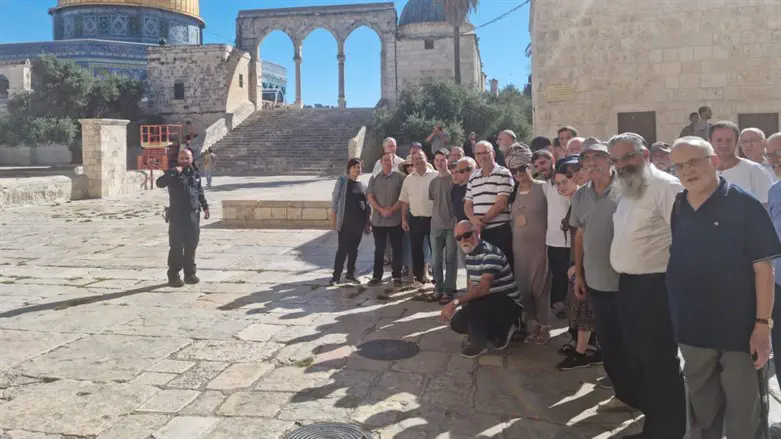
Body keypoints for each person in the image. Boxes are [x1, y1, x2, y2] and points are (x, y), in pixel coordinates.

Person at [668, 136, 781, 439]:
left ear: (714, 162)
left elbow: (764, 270)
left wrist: (762, 325)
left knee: (745, 417)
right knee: (702, 417)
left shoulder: (745, 204)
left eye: (695, 162)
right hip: (694, 332)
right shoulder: (678, 206)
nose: (688, 171)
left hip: (740, 333)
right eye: (680, 166)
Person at [608, 132, 686, 438]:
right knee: (638, 359)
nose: (622, 165)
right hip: (629, 287)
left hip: (656, 288)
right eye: (616, 160)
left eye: (628, 157)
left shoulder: (667, 187)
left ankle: (668, 431)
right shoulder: (627, 190)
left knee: (660, 363)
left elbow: (682, 240)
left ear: (645, 154)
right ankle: (655, 424)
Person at [571, 141, 638, 408]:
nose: (591, 162)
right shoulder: (580, 196)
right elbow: (579, 235)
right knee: (609, 343)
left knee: (633, 340)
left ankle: (639, 392)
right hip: (597, 282)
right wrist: (579, 273)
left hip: (629, 281)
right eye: (586, 158)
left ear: (610, 160)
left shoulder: (627, 190)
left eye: (598, 156)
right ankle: (623, 393)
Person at [441, 220, 522, 358]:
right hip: (490, 303)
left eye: (466, 235)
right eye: (459, 238)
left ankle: (481, 343)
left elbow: (483, 289)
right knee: (457, 322)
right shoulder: (469, 255)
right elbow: (472, 286)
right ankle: (495, 333)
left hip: (507, 303)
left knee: (477, 300)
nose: (463, 240)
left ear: (476, 233)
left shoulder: (490, 253)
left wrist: (455, 302)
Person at [554, 156, 597, 370]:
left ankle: (581, 354)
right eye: (558, 183)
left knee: (583, 307)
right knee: (578, 304)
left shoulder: (583, 198)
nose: (561, 186)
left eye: (565, 181)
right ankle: (586, 347)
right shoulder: (576, 199)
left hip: (587, 261)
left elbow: (588, 235)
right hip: (577, 259)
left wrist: (578, 265)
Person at [506, 144, 552, 344]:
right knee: (523, 288)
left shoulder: (544, 188)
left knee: (539, 288)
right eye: (514, 171)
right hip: (519, 249)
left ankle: (545, 327)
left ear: (530, 167)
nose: (518, 173)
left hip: (540, 248)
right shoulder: (513, 192)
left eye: (522, 168)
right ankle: (532, 325)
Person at [156, 149, 209, 287]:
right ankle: (173, 275)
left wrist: (205, 206)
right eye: (182, 158)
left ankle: (190, 274)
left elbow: (199, 191)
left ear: (191, 159)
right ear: (178, 158)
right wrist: (174, 171)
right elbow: (160, 183)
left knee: (192, 245)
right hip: (177, 216)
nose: (185, 161)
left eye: (187, 158)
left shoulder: (195, 173)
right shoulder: (173, 172)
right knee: (176, 246)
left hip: (193, 215)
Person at [465, 140, 516, 270]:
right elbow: (467, 204)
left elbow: (502, 203)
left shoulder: (504, 173)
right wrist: (474, 221)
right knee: (484, 268)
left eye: (485, 153)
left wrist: (482, 221)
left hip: (500, 231)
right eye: (478, 154)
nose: (482, 157)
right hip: (480, 232)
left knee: (503, 266)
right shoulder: (473, 177)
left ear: (493, 153)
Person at [711, 120, 775, 204]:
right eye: (719, 140)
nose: (724, 145)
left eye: (729, 140)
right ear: (710, 141)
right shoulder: (702, 171)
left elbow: (768, 207)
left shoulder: (754, 170)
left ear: (737, 142)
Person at [329, 158, 371, 286]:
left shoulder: (363, 185)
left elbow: (367, 204)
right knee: (342, 249)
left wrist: (367, 223)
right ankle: (336, 276)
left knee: (354, 249)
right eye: (354, 167)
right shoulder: (342, 181)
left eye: (359, 167)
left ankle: (350, 274)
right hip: (345, 222)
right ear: (349, 168)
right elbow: (335, 201)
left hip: (358, 223)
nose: (357, 169)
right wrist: (334, 220)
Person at [366, 152, 405, 288]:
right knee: (379, 249)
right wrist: (381, 210)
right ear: (381, 162)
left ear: (393, 162)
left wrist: (392, 210)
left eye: (390, 160)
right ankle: (377, 276)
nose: (388, 162)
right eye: (385, 160)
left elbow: (402, 197)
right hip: (378, 221)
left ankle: (397, 276)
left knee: (397, 249)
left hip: (395, 220)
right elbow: (370, 197)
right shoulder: (374, 178)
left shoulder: (400, 178)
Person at [400, 150, 438, 287]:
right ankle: (419, 278)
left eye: (420, 158)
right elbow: (404, 201)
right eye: (415, 159)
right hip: (415, 220)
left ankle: (438, 279)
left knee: (436, 250)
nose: (418, 161)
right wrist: (404, 219)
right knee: (416, 250)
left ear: (425, 158)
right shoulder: (408, 179)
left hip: (433, 220)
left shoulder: (435, 176)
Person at [429, 149, 458, 302]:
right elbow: (434, 200)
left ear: (447, 161)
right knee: (436, 259)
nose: (440, 163)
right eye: (437, 160)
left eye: (442, 160)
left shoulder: (454, 180)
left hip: (452, 225)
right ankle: (438, 287)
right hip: (436, 225)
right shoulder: (433, 182)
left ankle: (449, 289)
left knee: (451, 258)